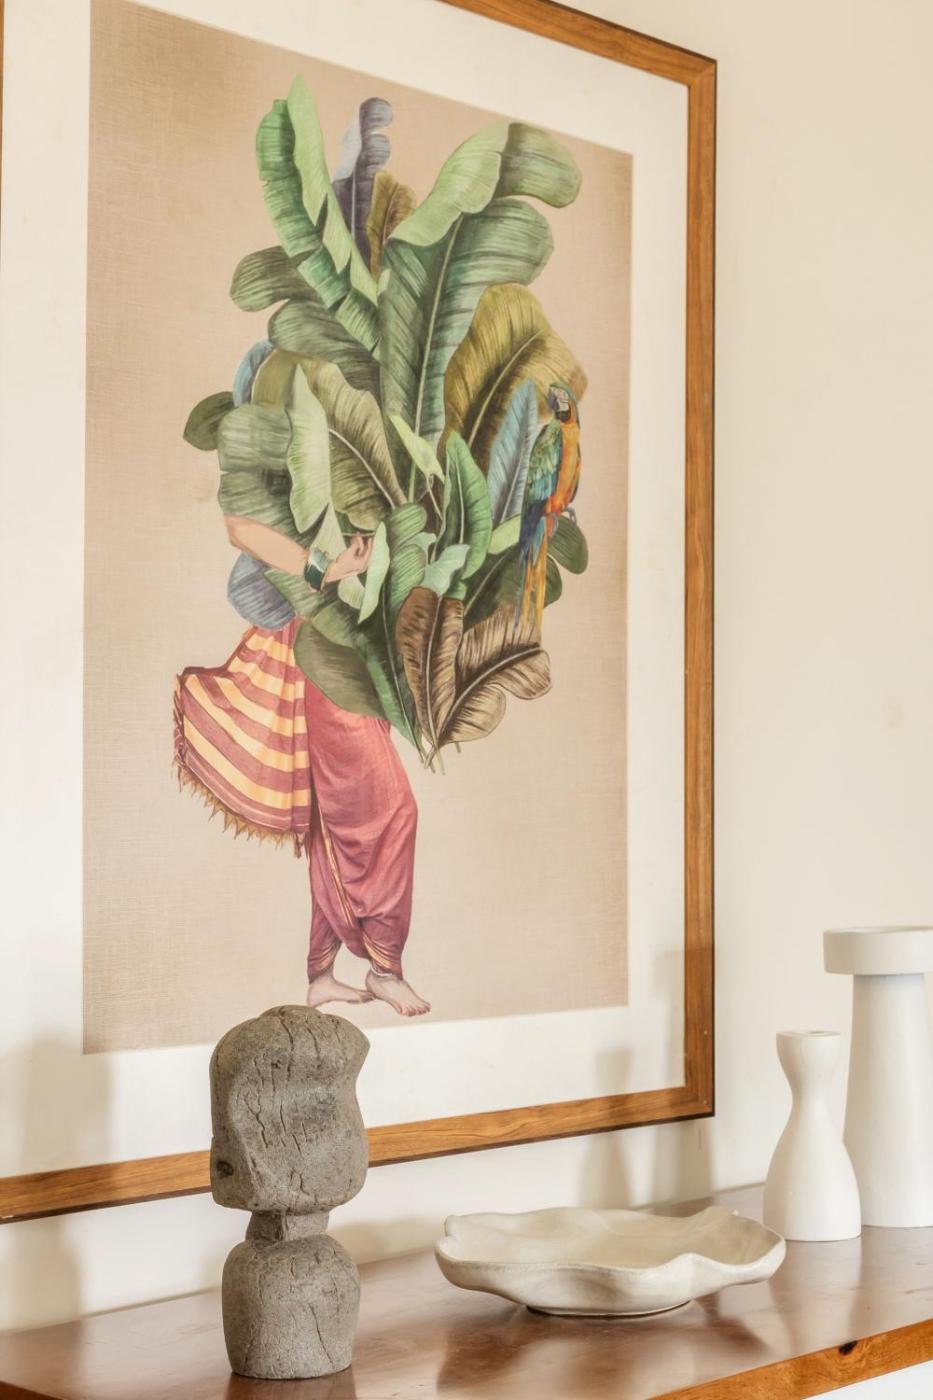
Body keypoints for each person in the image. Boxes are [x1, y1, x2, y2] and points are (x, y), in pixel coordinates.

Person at [174, 514, 430, 1018]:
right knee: (395, 810)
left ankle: (321, 974)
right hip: (321, 651)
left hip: (355, 651)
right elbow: (240, 526)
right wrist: (325, 569)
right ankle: (384, 969)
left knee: (331, 822)